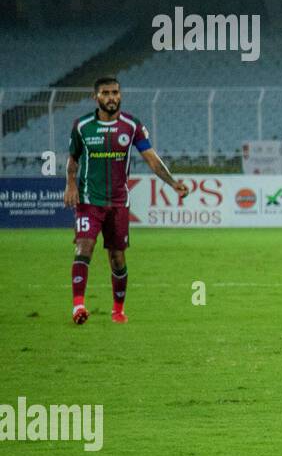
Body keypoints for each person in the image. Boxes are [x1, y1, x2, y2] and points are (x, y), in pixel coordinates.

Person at [63, 76, 190, 325]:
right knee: (84, 247)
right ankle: (78, 307)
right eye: (106, 93)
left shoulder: (131, 125)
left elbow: (152, 159)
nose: (112, 97)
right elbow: (73, 158)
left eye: (115, 92)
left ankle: (118, 310)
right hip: (89, 199)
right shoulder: (82, 126)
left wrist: (173, 182)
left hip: (119, 202)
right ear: (95, 97)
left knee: (117, 257)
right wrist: (70, 183)